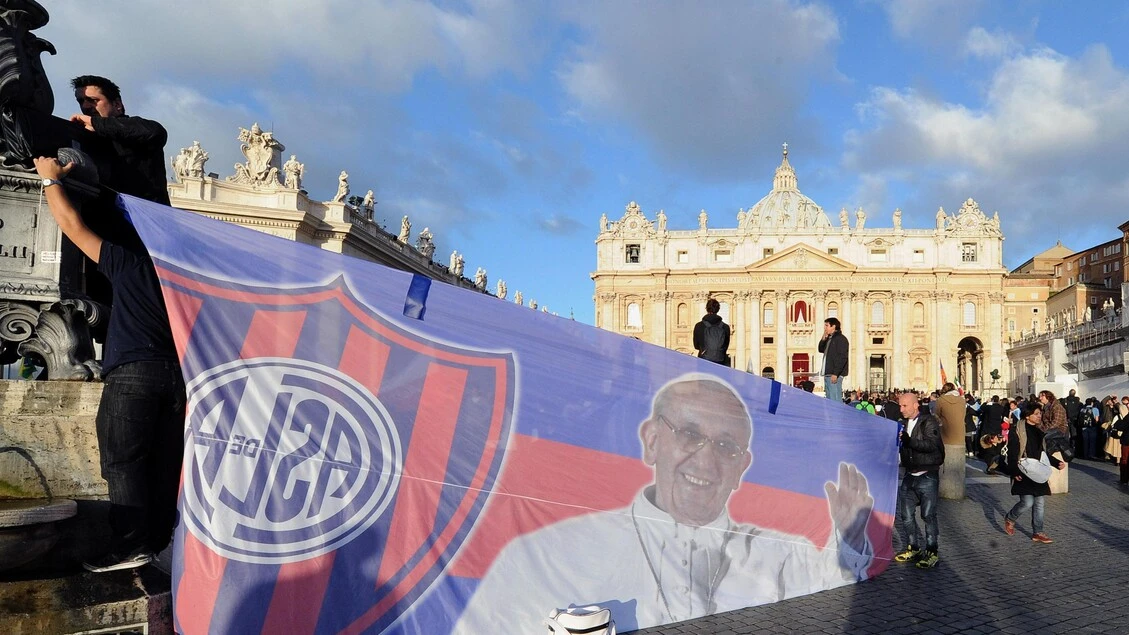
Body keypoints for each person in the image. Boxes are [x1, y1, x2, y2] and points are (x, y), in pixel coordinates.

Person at [453, 375, 875, 633]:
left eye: (727, 446)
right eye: (689, 435)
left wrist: (848, 537)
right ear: (652, 441)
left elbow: (831, 578)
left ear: (743, 466)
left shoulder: (777, 552)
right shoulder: (542, 554)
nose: (706, 460)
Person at [33, 156, 185, 572]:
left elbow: (72, 226)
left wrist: (49, 180)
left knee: (122, 459)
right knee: (163, 460)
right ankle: (157, 542)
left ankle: (129, 544)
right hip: (178, 379)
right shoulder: (183, 277)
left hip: (135, 371)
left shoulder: (131, 263)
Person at [71, 75, 170, 205]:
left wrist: (93, 122)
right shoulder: (85, 135)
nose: (85, 106)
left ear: (117, 104)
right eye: (81, 101)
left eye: (93, 100)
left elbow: (156, 132)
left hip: (141, 217)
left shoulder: (137, 128)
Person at [998, 402, 1066, 543]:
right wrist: (1014, 471)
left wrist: (1055, 462)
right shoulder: (1017, 429)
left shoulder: (1039, 430)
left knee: (1040, 502)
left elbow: (1043, 452)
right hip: (1023, 469)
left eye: (1040, 413)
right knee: (1027, 502)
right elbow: (1012, 453)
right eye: (1036, 414)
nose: (1039, 416)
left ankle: (1038, 532)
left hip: (1038, 469)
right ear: (1028, 416)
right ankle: (1010, 517)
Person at [893, 391, 944, 569]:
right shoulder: (902, 424)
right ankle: (913, 547)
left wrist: (910, 442)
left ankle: (932, 551)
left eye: (904, 405)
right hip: (909, 474)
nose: (901, 409)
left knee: (928, 515)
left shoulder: (928, 422)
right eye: (900, 405)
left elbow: (932, 445)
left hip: (927, 474)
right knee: (906, 515)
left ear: (916, 405)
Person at [818, 317, 848, 402]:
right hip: (828, 374)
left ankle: (837, 415)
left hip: (834, 375)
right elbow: (820, 349)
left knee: (835, 400)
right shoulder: (829, 339)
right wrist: (823, 339)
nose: (825, 328)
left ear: (833, 326)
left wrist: (836, 373)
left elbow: (843, 357)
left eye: (827, 325)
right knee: (829, 400)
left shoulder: (841, 339)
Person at [693, 298, 730, 366]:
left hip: (703, 362)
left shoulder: (699, 326)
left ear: (706, 309)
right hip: (720, 363)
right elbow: (725, 346)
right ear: (718, 309)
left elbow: (696, 346)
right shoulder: (725, 327)